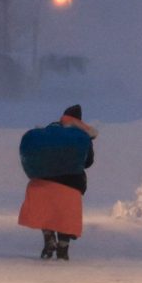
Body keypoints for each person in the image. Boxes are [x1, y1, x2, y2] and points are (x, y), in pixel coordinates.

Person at [17, 104, 97, 261]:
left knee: (46, 212)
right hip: (71, 184)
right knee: (65, 215)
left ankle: (49, 239)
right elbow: (88, 162)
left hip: (42, 182)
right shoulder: (81, 136)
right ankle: (62, 247)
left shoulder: (48, 133)